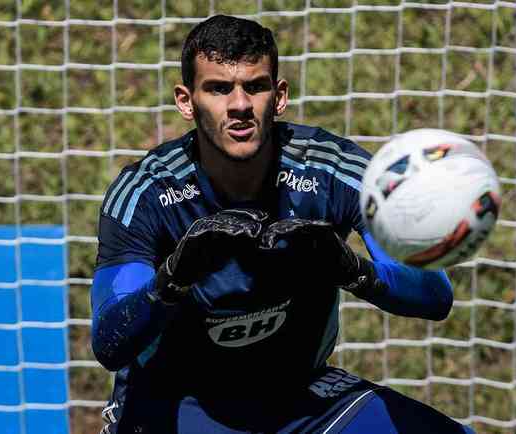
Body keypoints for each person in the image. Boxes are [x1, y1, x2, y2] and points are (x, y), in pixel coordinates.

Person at [91, 14, 474, 434]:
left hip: (300, 399)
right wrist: (172, 281)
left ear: (279, 96)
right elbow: (109, 341)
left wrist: (353, 271)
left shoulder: (336, 171)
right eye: (219, 89)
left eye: (255, 86)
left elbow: (436, 296)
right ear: (186, 101)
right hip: (178, 400)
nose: (239, 105)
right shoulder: (146, 192)